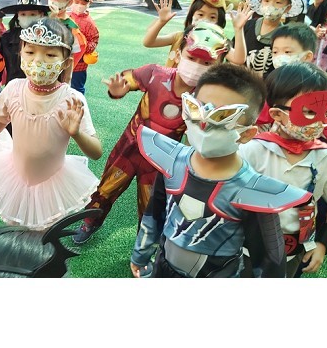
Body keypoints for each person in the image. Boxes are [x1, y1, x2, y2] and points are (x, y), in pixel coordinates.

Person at [130, 63, 314, 278]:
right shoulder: (173, 162)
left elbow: (269, 258)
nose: (204, 125)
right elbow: (154, 214)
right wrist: (140, 255)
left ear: (247, 134)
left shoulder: (253, 192)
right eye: (198, 109)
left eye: (222, 118)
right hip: (163, 267)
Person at [72, 21, 230, 244]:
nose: (196, 66)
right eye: (192, 58)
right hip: (129, 148)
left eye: (206, 63)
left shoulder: (206, 99)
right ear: (178, 54)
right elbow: (126, 81)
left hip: (161, 160)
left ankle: (145, 240)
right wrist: (116, 90)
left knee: (151, 205)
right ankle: (90, 221)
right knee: (106, 189)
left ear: (217, 67)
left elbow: (202, 138)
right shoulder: (156, 74)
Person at [0, 17, 103, 230]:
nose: (38, 61)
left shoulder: (72, 100)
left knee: (45, 234)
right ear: (20, 54)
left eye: (50, 55)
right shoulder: (14, 88)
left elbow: (96, 152)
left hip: (52, 185)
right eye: (30, 52)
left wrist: (77, 134)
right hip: (15, 177)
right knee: (17, 231)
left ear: (66, 63)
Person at [239, 62, 327, 277]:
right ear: (276, 114)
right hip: (242, 247)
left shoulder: (326, 159)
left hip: (292, 254)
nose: (319, 121)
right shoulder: (252, 150)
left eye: (326, 112)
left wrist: (323, 244)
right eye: (309, 111)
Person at [257, 22, 327, 170]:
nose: (279, 57)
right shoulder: (271, 84)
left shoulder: (319, 89)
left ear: (307, 56)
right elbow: (255, 119)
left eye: (287, 52)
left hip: (304, 160)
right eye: (275, 52)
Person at [143, 0, 250, 67]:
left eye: (212, 17)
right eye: (200, 14)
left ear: (219, 22)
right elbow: (149, 42)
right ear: (191, 16)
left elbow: (238, 59)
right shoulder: (179, 37)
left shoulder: (219, 44)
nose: (205, 20)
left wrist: (239, 29)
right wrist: (161, 22)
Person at [243, 0, 304, 77]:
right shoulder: (248, 25)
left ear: (287, 8)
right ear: (260, 2)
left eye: (278, 2)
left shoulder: (284, 36)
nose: (270, 5)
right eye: (266, 1)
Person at [0, 0, 49, 85]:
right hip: (14, 86)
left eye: (32, 14)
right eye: (23, 14)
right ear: (17, 16)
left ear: (41, 15)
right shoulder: (9, 37)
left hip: (40, 84)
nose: (27, 17)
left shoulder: (47, 36)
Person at [45, 0, 87, 76]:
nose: (53, 2)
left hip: (58, 72)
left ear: (69, 3)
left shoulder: (70, 26)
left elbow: (75, 52)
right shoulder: (40, 17)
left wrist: (67, 76)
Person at [69, 0, 100, 94]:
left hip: (80, 65)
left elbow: (94, 40)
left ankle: (79, 102)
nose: (79, 6)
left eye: (83, 4)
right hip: (65, 59)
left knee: (77, 88)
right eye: (77, 2)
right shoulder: (67, 17)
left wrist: (84, 47)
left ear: (89, 3)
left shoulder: (90, 23)